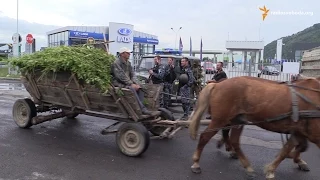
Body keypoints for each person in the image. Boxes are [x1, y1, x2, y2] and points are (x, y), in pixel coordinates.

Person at [111, 47, 160, 116]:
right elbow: (121, 76)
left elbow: (133, 75)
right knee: (131, 89)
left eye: (129, 53)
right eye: (127, 53)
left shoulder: (128, 63)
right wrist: (131, 84)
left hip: (127, 83)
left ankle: (140, 107)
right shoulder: (116, 63)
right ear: (122, 54)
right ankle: (141, 109)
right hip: (118, 83)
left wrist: (137, 84)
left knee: (141, 88)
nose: (129, 54)